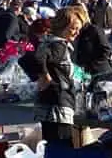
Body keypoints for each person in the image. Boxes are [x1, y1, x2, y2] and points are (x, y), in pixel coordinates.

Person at [34, 9, 83, 145]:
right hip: (59, 106)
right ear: (62, 27)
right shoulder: (59, 45)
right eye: (73, 29)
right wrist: (45, 76)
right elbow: (38, 58)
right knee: (61, 151)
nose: (77, 32)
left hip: (47, 105)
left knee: (51, 150)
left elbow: (28, 59)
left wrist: (40, 76)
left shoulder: (46, 42)